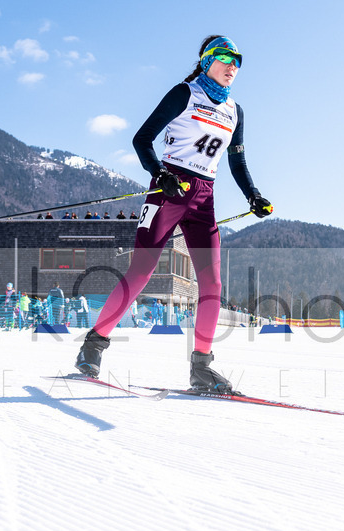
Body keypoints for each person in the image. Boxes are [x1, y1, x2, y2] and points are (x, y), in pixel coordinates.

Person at [75, 35, 272, 393]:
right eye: (227, 58)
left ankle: (201, 368)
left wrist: (253, 195)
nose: (233, 67)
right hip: (169, 189)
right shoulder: (184, 93)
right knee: (141, 272)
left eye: (239, 62)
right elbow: (142, 138)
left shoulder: (235, 111)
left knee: (211, 283)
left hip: (204, 197)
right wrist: (160, 175)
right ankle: (93, 344)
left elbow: (236, 159)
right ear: (208, 58)